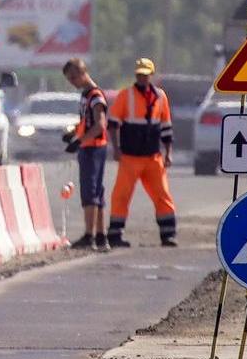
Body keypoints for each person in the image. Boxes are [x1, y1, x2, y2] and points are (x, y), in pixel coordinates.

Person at [106, 57, 178, 248]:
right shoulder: (125, 96)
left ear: (151, 75)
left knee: (163, 195)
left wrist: (168, 153)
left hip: (153, 158)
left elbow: (166, 127)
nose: (142, 78)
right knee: (121, 195)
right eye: (139, 75)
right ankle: (115, 234)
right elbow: (113, 124)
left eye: (146, 75)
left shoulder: (161, 97)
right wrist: (116, 148)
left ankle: (168, 235)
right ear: (136, 75)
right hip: (129, 158)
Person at [62, 58, 110, 251]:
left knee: (90, 192)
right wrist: (74, 133)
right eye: (69, 79)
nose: (72, 81)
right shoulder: (85, 96)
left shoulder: (95, 96)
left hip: (93, 148)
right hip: (89, 146)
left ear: (83, 73)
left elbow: (100, 125)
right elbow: (86, 122)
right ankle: (100, 235)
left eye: (74, 77)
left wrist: (80, 141)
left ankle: (89, 235)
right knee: (96, 191)